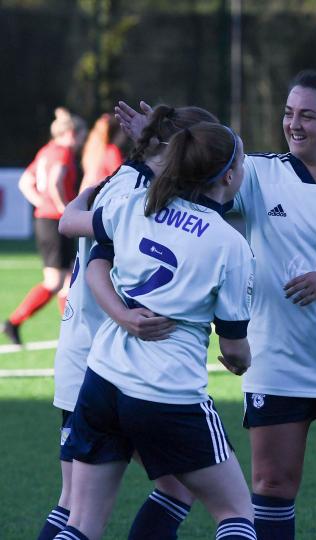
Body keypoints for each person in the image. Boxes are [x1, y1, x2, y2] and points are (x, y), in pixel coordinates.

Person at [116, 69, 316, 539]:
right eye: (289, 113)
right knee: (272, 485)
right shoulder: (260, 173)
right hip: (276, 359)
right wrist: (161, 148)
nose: (293, 124)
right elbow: (199, 184)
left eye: (307, 116)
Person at [55, 122, 257, 540]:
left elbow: (86, 244)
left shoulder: (137, 205)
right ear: (230, 176)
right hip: (167, 390)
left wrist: (93, 189)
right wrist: (242, 362)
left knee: (81, 523)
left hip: (103, 379)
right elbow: (234, 346)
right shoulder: (229, 244)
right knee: (235, 511)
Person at [4, 108, 87, 345]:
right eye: (82, 135)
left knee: (70, 279)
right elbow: (55, 181)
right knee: (55, 282)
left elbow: (25, 182)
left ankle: (72, 331)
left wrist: (41, 203)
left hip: (47, 219)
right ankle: (14, 322)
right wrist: (62, 209)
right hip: (54, 222)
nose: (82, 141)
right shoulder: (63, 152)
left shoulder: (46, 151)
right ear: (72, 133)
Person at [80, 113, 125, 192]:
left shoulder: (92, 149)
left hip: (89, 193)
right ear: (116, 134)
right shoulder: (112, 151)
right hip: (103, 194)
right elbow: (119, 178)